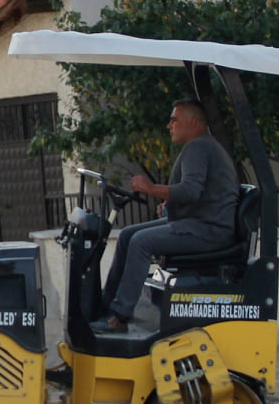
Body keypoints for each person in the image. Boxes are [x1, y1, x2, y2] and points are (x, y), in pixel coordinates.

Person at [101, 99, 240, 330]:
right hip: (200, 224)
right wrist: (169, 203)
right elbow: (201, 193)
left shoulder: (198, 147)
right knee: (126, 235)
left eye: (174, 119)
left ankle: (120, 316)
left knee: (140, 242)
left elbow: (191, 191)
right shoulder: (203, 146)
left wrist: (151, 189)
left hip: (207, 231)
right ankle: (106, 306)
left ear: (193, 122)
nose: (169, 125)